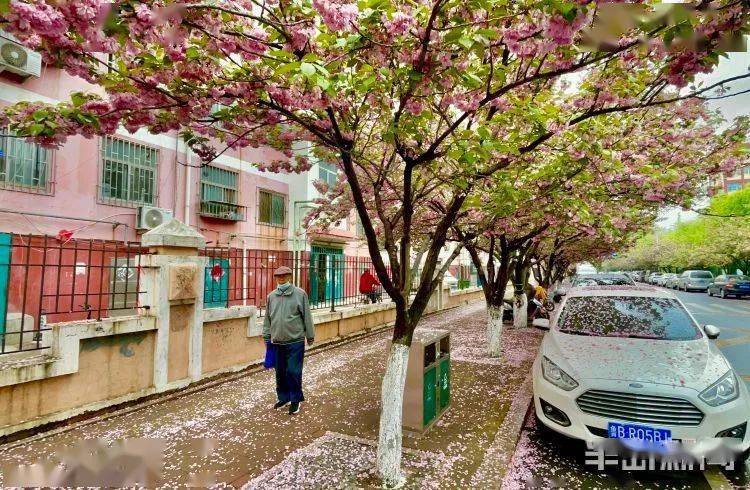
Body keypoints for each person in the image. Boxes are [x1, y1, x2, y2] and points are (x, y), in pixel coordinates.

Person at [263, 266, 315, 415]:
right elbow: (268, 318)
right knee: (280, 373)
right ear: (275, 278)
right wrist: (266, 335)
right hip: (277, 341)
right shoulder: (271, 296)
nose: (281, 278)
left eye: (284, 276)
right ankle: (284, 398)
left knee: (293, 371)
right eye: (278, 276)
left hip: (295, 341)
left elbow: (307, 316)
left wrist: (310, 335)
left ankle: (295, 400)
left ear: (290, 277)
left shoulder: (300, 294)